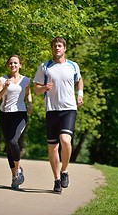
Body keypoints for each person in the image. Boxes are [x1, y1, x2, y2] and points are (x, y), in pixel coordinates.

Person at [34, 37, 84, 193]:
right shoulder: (44, 67)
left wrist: (80, 93)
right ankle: (56, 180)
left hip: (69, 108)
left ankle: (65, 170)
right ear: (52, 48)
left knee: (65, 140)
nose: (57, 48)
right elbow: (37, 88)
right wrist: (44, 88)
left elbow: (79, 80)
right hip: (51, 110)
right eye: (55, 46)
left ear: (64, 48)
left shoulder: (73, 66)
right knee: (52, 148)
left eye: (60, 46)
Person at [0, 54, 32, 189]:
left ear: (20, 65)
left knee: (12, 141)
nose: (13, 65)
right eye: (10, 63)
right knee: (9, 146)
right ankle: (15, 175)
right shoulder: (2, 80)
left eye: (16, 63)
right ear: (8, 65)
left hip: (20, 114)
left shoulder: (26, 80)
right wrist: (5, 88)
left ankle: (18, 169)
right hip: (5, 115)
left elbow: (27, 93)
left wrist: (30, 104)